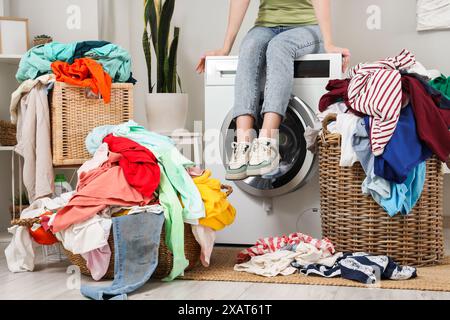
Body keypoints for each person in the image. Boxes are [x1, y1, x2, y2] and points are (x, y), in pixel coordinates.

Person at [197, 0, 350, 180]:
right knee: (250, 46)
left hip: (306, 27)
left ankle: (267, 143)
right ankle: (243, 144)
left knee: (279, 47)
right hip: (265, 27)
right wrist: (225, 48)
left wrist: (329, 43)